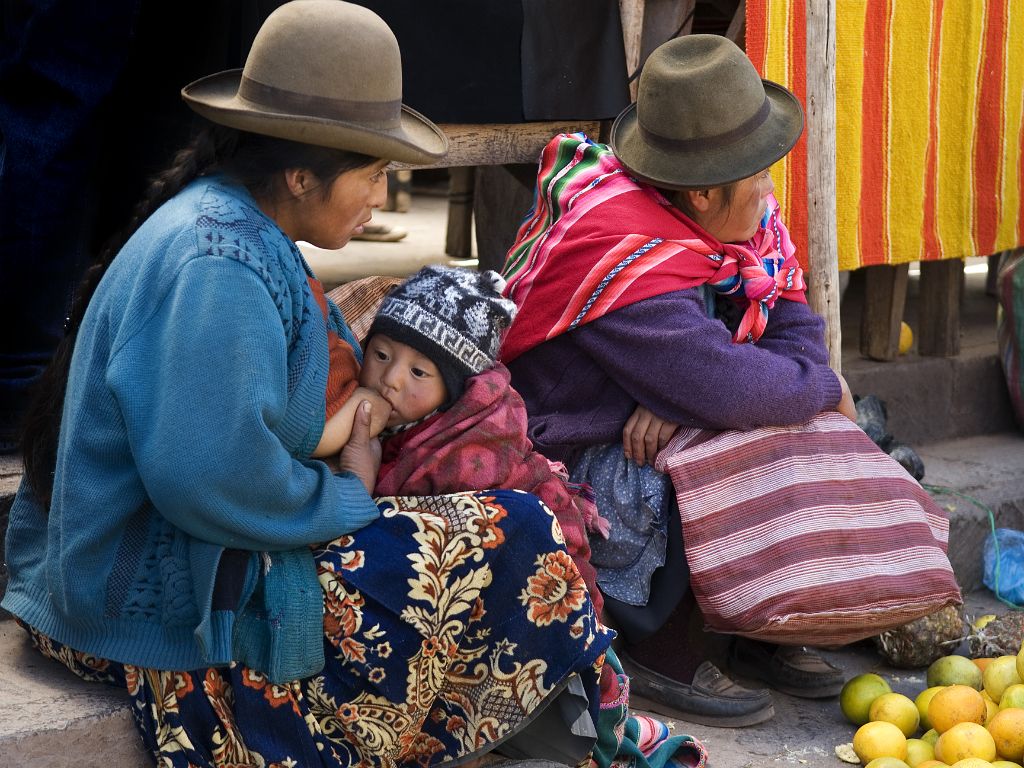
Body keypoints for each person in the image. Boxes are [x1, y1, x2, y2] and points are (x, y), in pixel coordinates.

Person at [1, 3, 613, 766]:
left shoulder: (240, 230)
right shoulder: (219, 264)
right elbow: (210, 480)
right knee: (520, 538)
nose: (383, 199)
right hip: (145, 614)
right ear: (300, 174)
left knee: (488, 522)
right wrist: (349, 497)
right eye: (374, 175)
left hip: (164, 564)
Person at [499, 34, 858, 728]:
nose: (767, 187)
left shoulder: (741, 223)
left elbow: (792, 332)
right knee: (733, 439)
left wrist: (706, 390)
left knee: (781, 416)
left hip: (658, 407)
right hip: (579, 451)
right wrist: (806, 388)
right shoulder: (619, 242)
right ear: (699, 189)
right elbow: (727, 386)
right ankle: (657, 644)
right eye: (754, 174)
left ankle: (752, 626)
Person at [333, 264, 608, 618]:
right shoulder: (383, 418)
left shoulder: (468, 450)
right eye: (380, 355)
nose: (390, 379)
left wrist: (361, 487)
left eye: (418, 372)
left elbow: (417, 551)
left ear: (454, 389)